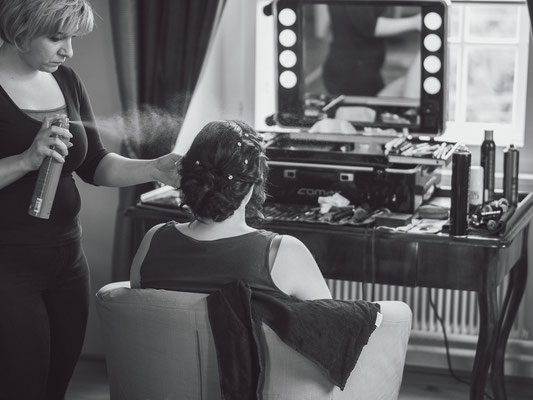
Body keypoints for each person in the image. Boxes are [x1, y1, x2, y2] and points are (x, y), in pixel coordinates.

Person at [0, 1, 181, 399]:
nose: (68, 50)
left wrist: (155, 168)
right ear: (20, 29)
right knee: (21, 385)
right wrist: (26, 160)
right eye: (56, 38)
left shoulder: (66, 79)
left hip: (67, 261)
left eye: (72, 38)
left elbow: (94, 164)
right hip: (8, 266)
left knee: (56, 384)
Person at [130, 120, 385, 398]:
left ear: (187, 178)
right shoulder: (283, 253)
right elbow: (328, 335)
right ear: (252, 184)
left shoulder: (151, 241)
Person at [323, 4, 421, 97]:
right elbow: (368, 26)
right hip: (351, 72)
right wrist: (415, 22)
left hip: (365, 68)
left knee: (405, 86)